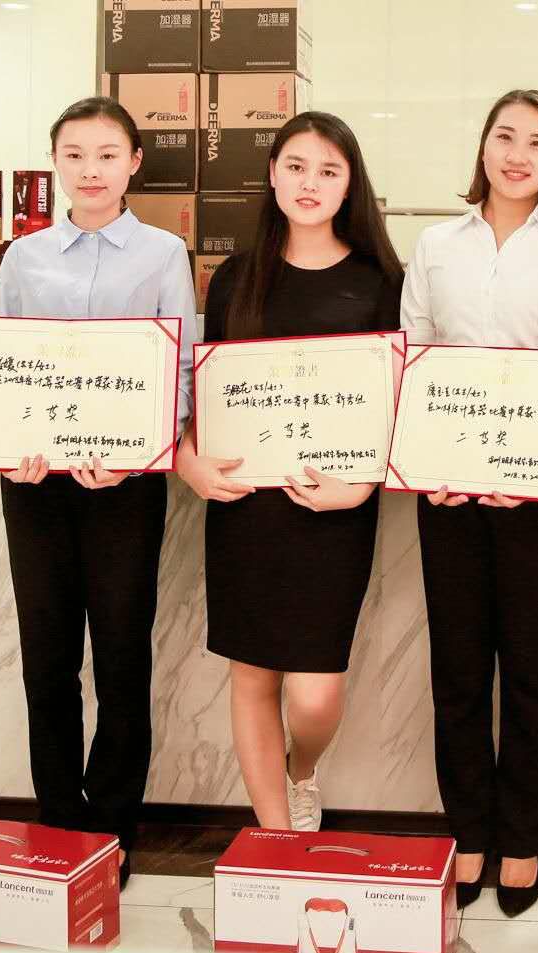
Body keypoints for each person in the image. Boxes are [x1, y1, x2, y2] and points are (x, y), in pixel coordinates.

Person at [400, 89, 538, 915]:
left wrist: (532, 469)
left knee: (530, 669)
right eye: (505, 137)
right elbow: (415, 357)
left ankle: (522, 837)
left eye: (537, 143)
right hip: (448, 490)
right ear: (483, 147)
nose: (518, 155)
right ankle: (470, 831)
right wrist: (430, 460)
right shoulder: (436, 244)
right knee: (457, 669)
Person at [0, 96, 197, 887]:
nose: (91, 170)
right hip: (34, 486)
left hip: (124, 488)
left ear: (134, 162)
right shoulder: (24, 256)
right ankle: (58, 821)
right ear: (56, 163)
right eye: (75, 155)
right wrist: (3, 447)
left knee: (119, 656)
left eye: (108, 154)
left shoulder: (164, 254)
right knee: (46, 658)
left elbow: (180, 371)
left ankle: (111, 826)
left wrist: (136, 454)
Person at [175, 112, 402, 833]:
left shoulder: (381, 283)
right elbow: (206, 395)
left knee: (312, 695)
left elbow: (397, 403)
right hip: (244, 507)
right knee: (251, 678)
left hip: (332, 512)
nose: (310, 183)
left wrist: (360, 488)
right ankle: (276, 835)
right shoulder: (235, 278)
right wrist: (189, 464)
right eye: (296, 166)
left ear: (350, 185)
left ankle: (302, 771)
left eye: (329, 171)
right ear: (272, 174)